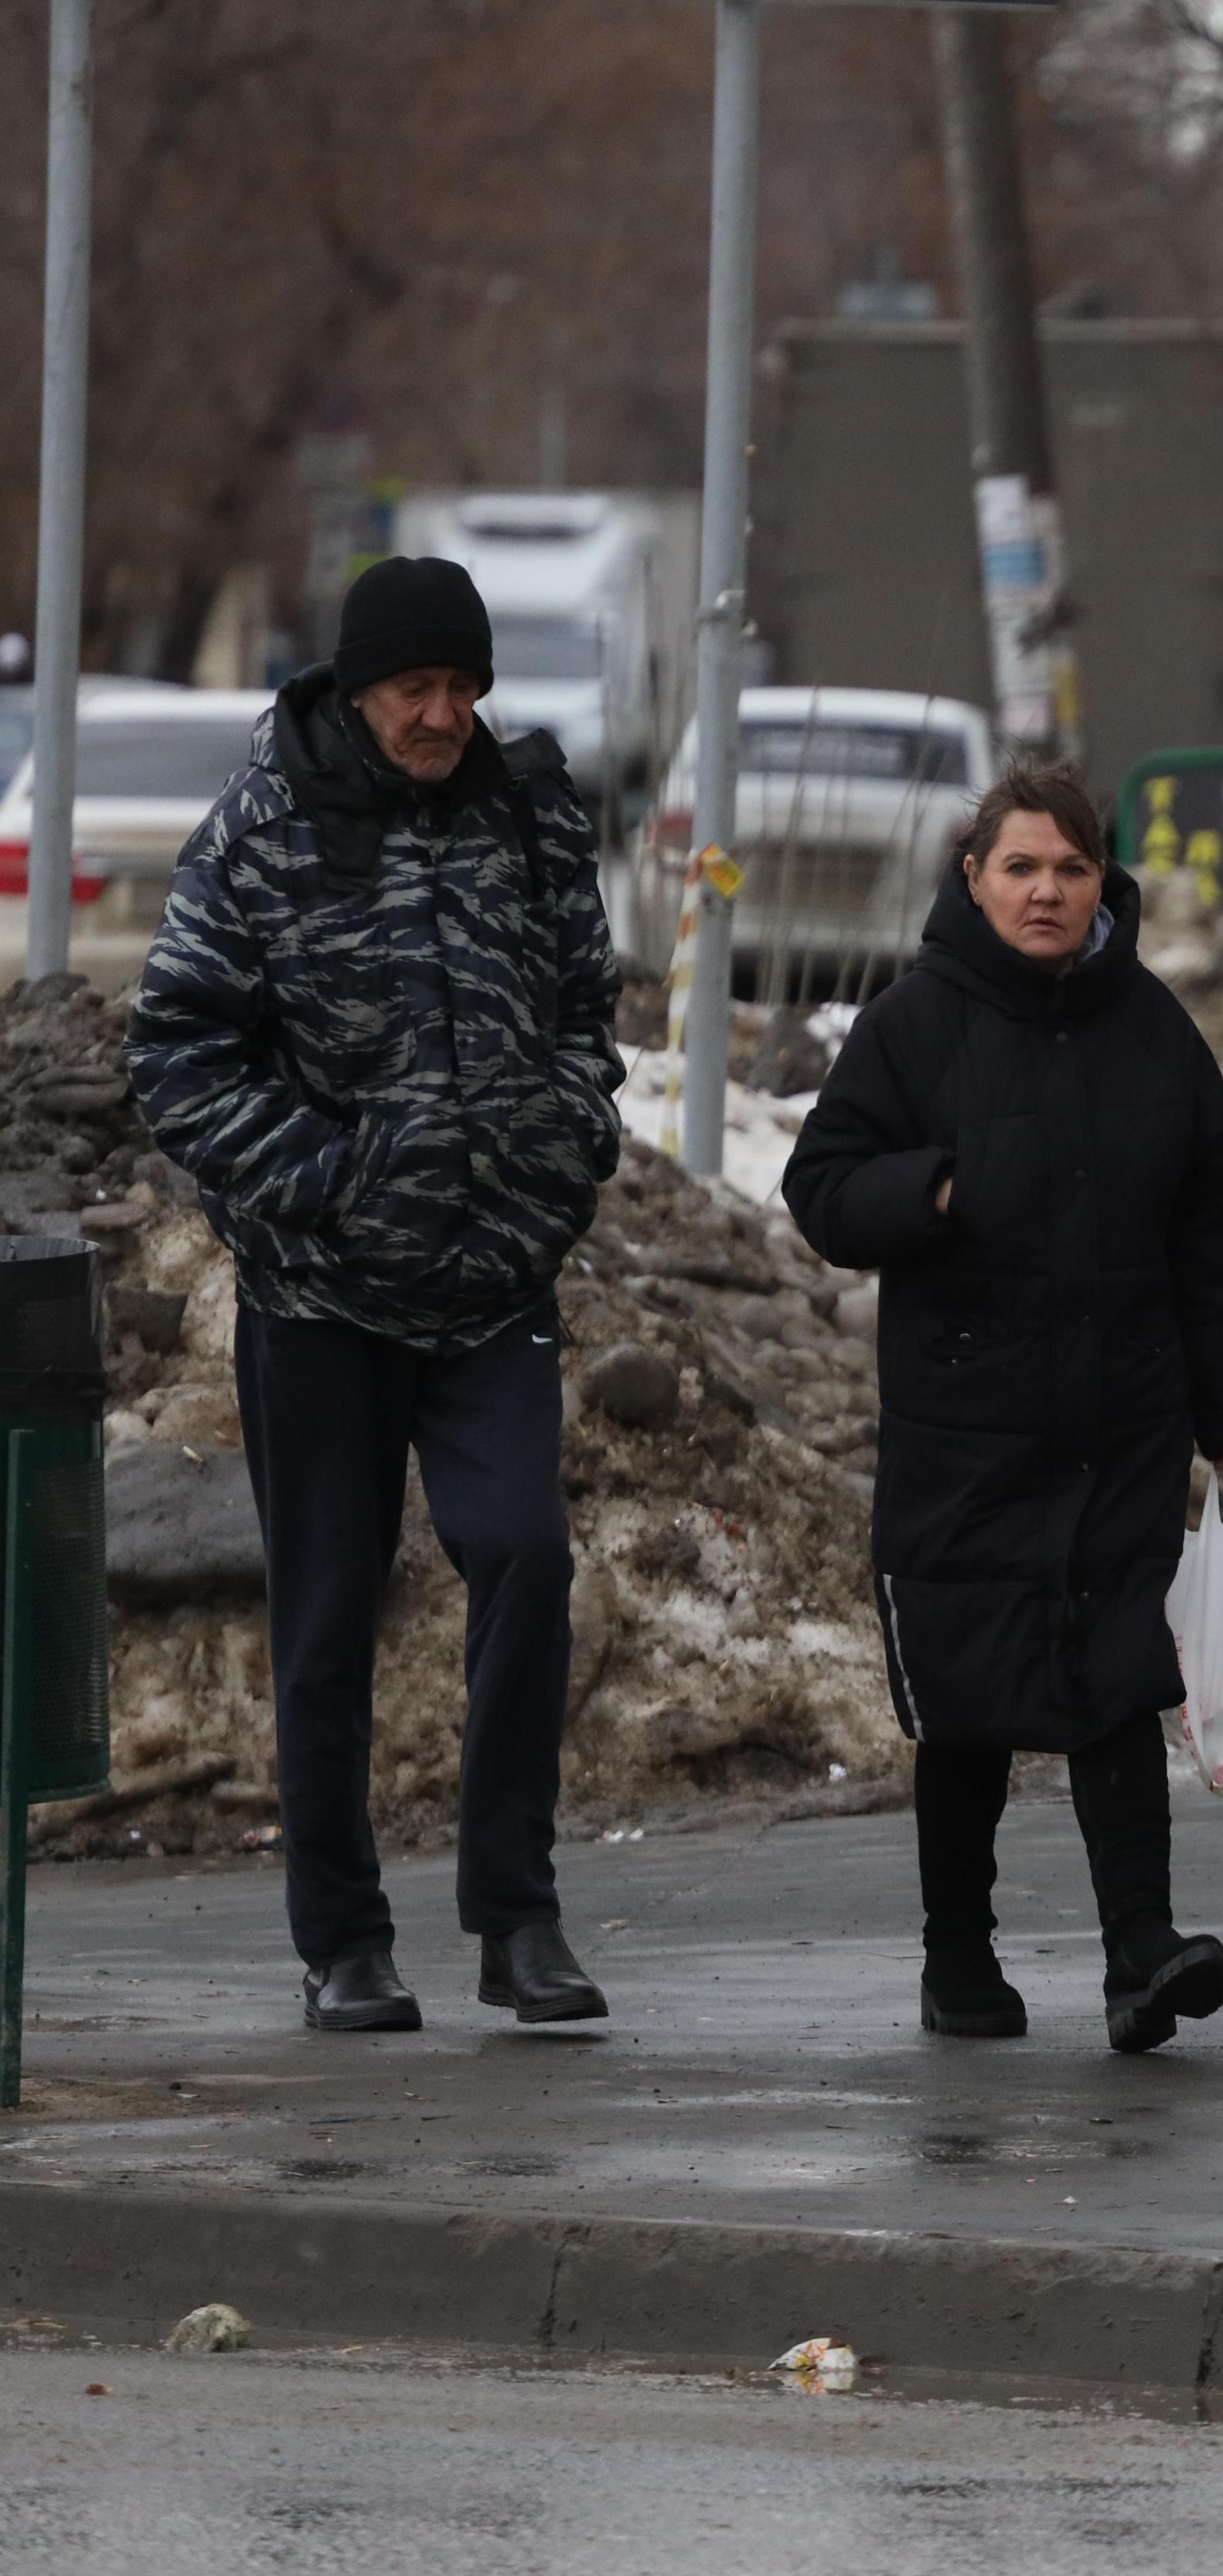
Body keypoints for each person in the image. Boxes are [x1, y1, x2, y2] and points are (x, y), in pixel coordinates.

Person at [126, 557, 624, 2033]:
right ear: (359, 686)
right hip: (323, 1298)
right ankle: (343, 1939)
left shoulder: (529, 814)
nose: (444, 715)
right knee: (330, 1618)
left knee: (526, 1556)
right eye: (417, 688)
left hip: (493, 1282)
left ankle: (516, 1918)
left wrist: (565, 1142)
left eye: (464, 688)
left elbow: (587, 1007)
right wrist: (325, 1177)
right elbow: (176, 1051)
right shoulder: (264, 828)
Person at [782, 767, 1223, 2052]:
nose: (1046, 891)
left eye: (1069, 869)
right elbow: (823, 1184)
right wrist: (937, 1191)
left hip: (1118, 1421)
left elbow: (1212, 1229)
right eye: (1021, 868)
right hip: (968, 1429)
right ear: (975, 879)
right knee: (970, 1699)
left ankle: (1142, 1957)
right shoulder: (912, 1026)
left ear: (1101, 882)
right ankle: (960, 1959)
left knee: (1120, 1676)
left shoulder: (1154, 1030)